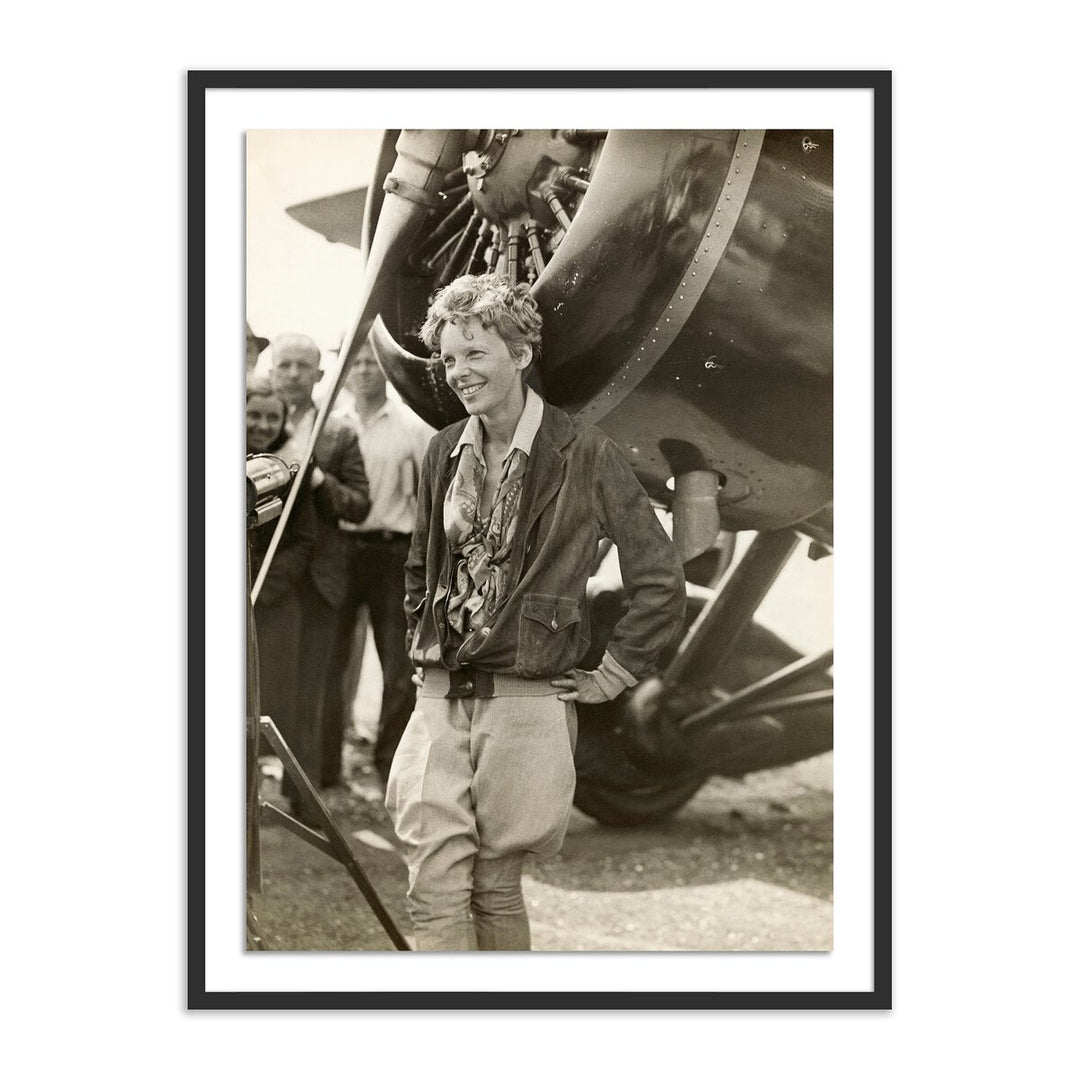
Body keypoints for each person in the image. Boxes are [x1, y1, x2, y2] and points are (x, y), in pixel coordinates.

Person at [385, 275, 686, 950]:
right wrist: (420, 645)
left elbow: (658, 577)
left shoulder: (584, 453)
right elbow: (418, 567)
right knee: (431, 890)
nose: (458, 372)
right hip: (438, 698)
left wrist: (612, 675)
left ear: (520, 353)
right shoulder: (444, 450)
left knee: (494, 888)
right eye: (450, 357)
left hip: (526, 704)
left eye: (475, 354)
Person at [321, 340, 435, 787]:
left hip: (393, 553)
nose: (365, 370)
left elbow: (432, 493)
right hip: (341, 552)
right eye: (357, 363)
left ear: (386, 368)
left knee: (399, 666)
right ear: (344, 371)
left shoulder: (412, 426)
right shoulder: (330, 426)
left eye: (372, 361)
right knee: (331, 662)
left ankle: (392, 769)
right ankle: (325, 769)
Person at [269, 333, 371, 806]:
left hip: (319, 581)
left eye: (302, 366)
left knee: (312, 690)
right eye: (284, 365)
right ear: (271, 370)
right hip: (265, 580)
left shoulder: (339, 433)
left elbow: (359, 505)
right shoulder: (250, 422)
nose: (292, 374)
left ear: (319, 374)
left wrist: (319, 480)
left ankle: (305, 797)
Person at [245, 376, 316, 816]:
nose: (262, 424)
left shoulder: (292, 467)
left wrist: (264, 587)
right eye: (253, 414)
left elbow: (304, 541)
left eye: (273, 417)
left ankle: (293, 797)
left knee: (276, 699)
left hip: (273, 601)